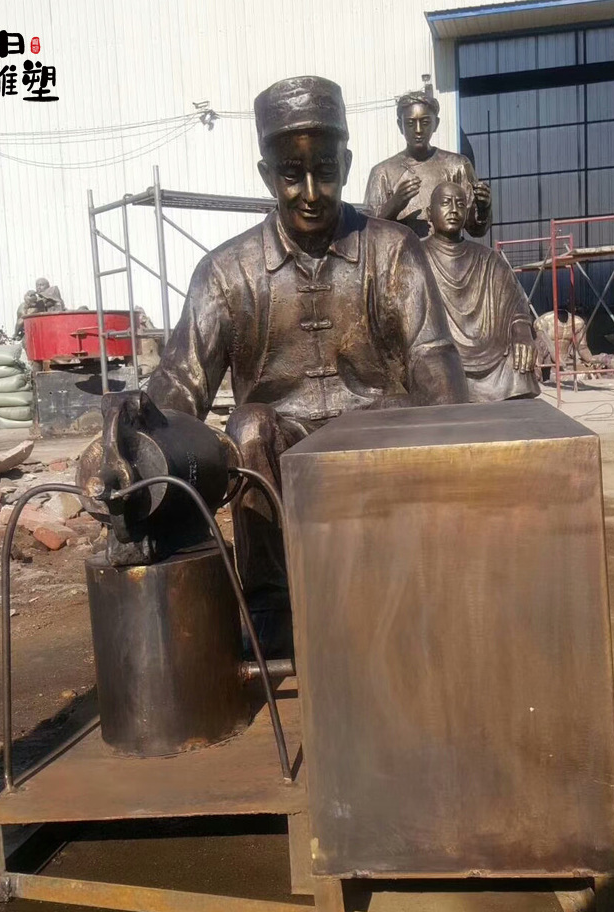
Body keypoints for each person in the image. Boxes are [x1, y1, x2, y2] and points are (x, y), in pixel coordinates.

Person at [147, 76, 468, 654]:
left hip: (376, 431)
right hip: (280, 445)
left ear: (346, 163)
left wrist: (458, 452)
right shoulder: (226, 271)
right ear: (266, 174)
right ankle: (272, 602)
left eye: (325, 170)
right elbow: (181, 381)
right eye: (292, 175)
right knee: (248, 425)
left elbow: (432, 357)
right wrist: (140, 438)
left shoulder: (393, 249)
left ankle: (424, 588)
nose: (312, 192)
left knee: (413, 416)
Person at [422, 178, 538, 403]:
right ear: (429, 213)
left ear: (467, 213)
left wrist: (522, 333)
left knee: (518, 366)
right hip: (440, 354)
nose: (453, 210)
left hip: (491, 352)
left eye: (460, 204)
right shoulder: (416, 255)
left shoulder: (488, 259)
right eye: (445, 203)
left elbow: (516, 305)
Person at [364, 90, 492, 240]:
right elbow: (367, 233)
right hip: (401, 253)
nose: (418, 130)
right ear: (400, 125)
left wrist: (483, 208)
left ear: (436, 124)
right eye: (410, 123)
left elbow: (476, 230)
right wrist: (394, 204)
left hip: (446, 253)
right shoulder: (382, 172)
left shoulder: (457, 166)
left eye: (425, 123)